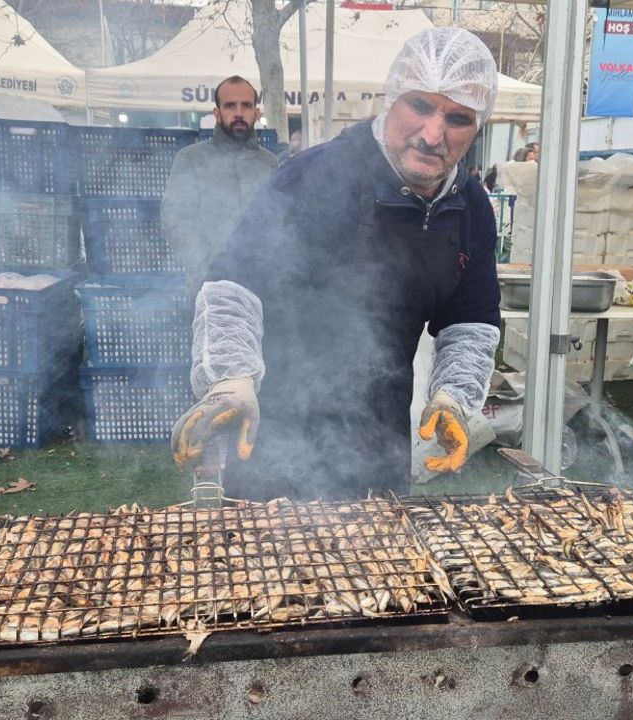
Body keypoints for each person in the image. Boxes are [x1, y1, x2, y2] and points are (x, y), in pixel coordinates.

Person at [170, 27, 502, 501]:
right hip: (276, 433)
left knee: (380, 544)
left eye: (458, 118)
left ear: (478, 125)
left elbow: (469, 321)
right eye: (420, 106)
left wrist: (452, 395)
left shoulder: (471, 207)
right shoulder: (311, 176)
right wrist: (233, 380)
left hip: (380, 435)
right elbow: (233, 286)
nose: (433, 135)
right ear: (392, 98)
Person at [161, 75, 279, 299]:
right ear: (217, 113)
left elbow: (277, 223)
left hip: (263, 291)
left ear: (256, 113)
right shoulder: (192, 159)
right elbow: (175, 219)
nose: (239, 113)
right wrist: (207, 265)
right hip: (208, 291)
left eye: (246, 106)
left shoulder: (269, 163)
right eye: (230, 106)